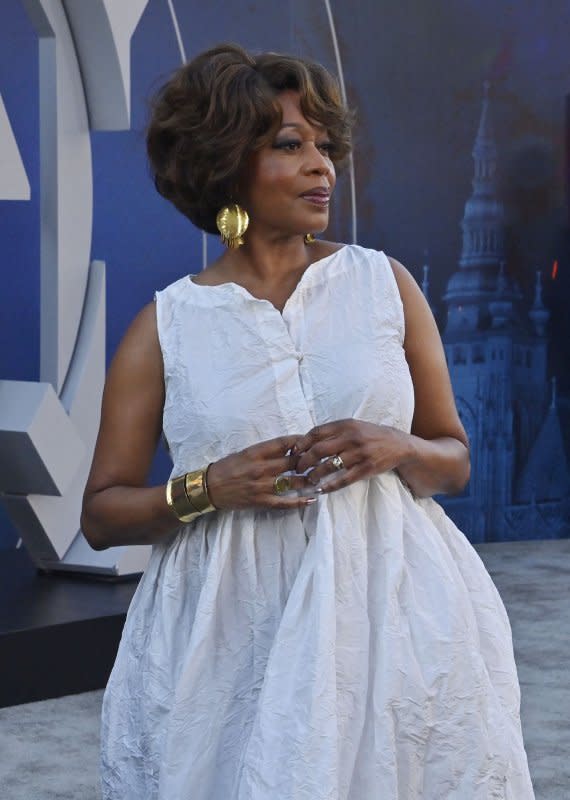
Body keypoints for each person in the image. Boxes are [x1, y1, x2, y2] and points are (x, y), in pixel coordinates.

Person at [82, 43, 535, 800]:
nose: (323, 166)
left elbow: (453, 459)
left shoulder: (383, 283)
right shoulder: (166, 326)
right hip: (232, 634)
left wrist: (397, 446)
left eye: (327, 146)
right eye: (291, 146)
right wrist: (209, 488)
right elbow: (101, 514)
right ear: (226, 161)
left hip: (393, 615)